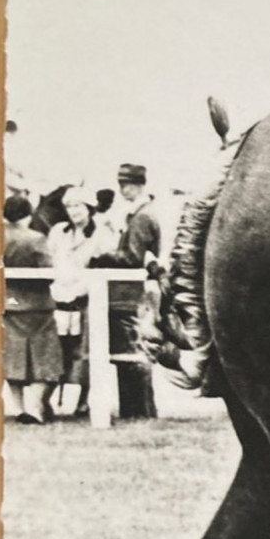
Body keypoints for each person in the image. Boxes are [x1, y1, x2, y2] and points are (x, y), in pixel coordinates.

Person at [90, 162, 162, 419]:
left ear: (139, 185)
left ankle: (138, 410)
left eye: (127, 185)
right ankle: (138, 409)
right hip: (131, 291)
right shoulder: (142, 213)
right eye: (121, 185)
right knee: (130, 351)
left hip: (128, 292)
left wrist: (102, 256)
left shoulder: (142, 217)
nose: (123, 190)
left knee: (131, 352)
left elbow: (132, 257)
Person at [46, 187, 110, 418]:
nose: (73, 211)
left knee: (84, 351)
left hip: (87, 298)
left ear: (89, 208)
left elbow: (104, 263)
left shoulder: (102, 233)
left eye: (78, 206)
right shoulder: (59, 232)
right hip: (60, 296)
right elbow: (51, 260)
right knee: (58, 349)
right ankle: (47, 400)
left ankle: (85, 401)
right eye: (69, 206)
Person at [3, 193, 63, 423]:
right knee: (45, 357)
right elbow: (48, 273)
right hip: (36, 307)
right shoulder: (36, 239)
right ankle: (35, 407)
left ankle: (18, 409)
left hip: (7, 305)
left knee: (12, 357)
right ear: (28, 214)